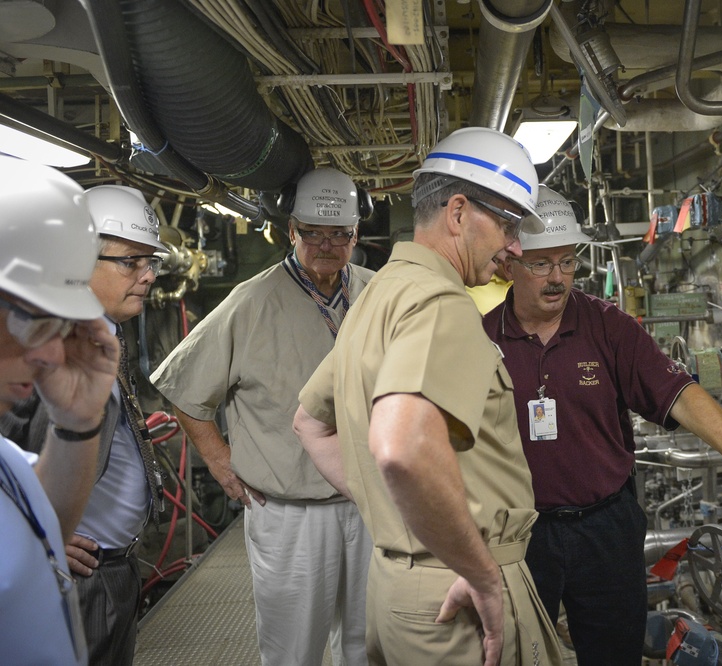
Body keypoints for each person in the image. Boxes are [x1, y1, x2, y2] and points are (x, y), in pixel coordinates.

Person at [481, 185, 722, 665]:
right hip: (520, 533)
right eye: (541, 264)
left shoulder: (607, 327)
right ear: (508, 264)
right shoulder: (482, 339)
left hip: (605, 527)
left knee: (614, 654)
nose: (557, 278)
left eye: (568, 262)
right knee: (516, 655)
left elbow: (680, 394)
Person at [293, 127, 563, 666]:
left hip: (401, 583)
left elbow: (309, 423)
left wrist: (397, 511)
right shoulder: (441, 302)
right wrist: (480, 572)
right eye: (508, 224)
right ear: (458, 213)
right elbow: (402, 447)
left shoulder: (379, 296)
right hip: (455, 591)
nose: (514, 246)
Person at [150, 168, 375, 666]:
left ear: (356, 234)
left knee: (371, 645)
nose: (326, 244)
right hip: (292, 514)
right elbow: (186, 390)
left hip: (370, 504)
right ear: (291, 229)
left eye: (339, 234)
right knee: (293, 650)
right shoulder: (250, 302)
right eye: (313, 232)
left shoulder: (379, 294)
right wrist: (219, 460)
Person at [0, 155, 120, 665]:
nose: (49, 355)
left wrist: (75, 425)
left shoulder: (5, 458)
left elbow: (43, 524)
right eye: (30, 321)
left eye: (57, 326)